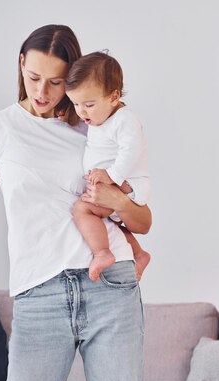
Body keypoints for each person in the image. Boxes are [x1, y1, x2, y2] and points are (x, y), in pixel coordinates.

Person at [0, 24, 150, 381]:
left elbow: (143, 220)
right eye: (33, 78)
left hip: (110, 286)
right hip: (37, 291)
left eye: (56, 82)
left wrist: (115, 197)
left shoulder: (95, 124)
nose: (43, 93)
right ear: (21, 64)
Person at [65, 51, 151, 282]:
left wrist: (111, 175)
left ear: (113, 97)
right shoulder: (99, 118)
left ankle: (102, 253)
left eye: (89, 104)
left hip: (126, 185)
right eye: (75, 104)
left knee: (82, 210)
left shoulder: (124, 119)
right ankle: (139, 253)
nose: (81, 111)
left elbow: (131, 150)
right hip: (118, 185)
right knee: (109, 222)